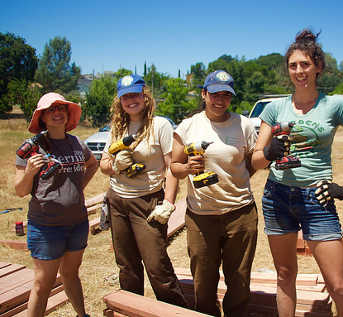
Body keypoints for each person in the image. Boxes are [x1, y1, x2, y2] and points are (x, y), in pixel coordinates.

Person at [251, 29, 343, 317]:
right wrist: (269, 152)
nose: (299, 71)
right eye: (293, 65)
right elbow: (255, 160)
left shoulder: (335, 105)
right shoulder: (275, 108)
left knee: (338, 286)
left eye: (305, 64)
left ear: (318, 67)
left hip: (318, 197)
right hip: (277, 196)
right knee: (284, 275)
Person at [170, 70, 258, 317]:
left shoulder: (244, 124)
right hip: (201, 216)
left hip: (240, 213)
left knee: (239, 279)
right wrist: (187, 168)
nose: (220, 100)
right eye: (214, 94)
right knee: (203, 279)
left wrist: (235, 181)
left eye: (226, 95)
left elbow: (251, 161)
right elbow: (174, 167)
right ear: (204, 94)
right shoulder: (188, 126)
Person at [99, 74, 187, 307]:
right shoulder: (117, 128)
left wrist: (168, 202)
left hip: (148, 202)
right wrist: (116, 166)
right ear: (120, 101)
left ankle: (175, 311)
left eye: (135, 94)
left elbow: (172, 167)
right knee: (127, 266)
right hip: (117, 201)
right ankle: (132, 309)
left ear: (145, 96)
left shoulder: (160, 125)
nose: (131, 100)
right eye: (125, 96)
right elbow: (103, 165)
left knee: (157, 266)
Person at [15, 92, 98, 317]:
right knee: (43, 283)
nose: (57, 113)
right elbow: (20, 191)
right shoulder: (32, 147)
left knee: (71, 274)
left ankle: (82, 315)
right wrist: (30, 171)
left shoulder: (76, 143)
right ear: (42, 117)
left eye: (61, 109)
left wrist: (78, 187)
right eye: (51, 110)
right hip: (46, 226)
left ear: (67, 114)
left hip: (77, 223)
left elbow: (92, 164)